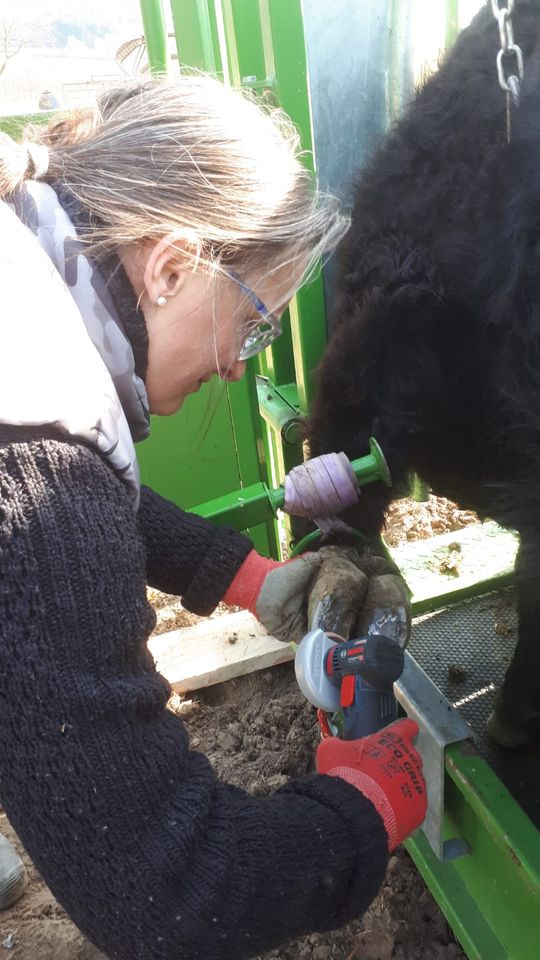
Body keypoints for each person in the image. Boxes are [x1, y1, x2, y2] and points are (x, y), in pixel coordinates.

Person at [0, 75, 426, 958]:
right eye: (254, 322)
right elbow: (169, 896)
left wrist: (254, 579)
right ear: (172, 266)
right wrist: (363, 808)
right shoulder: (36, 474)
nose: (238, 367)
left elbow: (67, 492)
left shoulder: (26, 270)